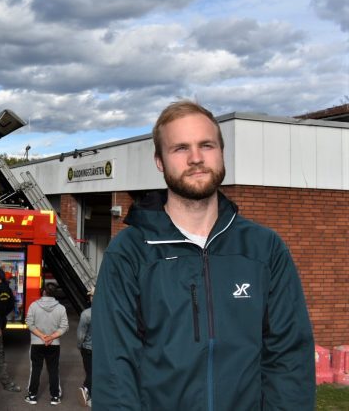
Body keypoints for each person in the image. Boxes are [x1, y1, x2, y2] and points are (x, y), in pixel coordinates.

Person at [90, 100, 315, 410]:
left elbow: (289, 359)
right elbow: (115, 373)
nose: (196, 158)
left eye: (206, 145)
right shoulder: (130, 253)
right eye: (180, 148)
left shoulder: (264, 249)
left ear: (221, 152)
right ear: (159, 161)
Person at [24, 282, 68, 406]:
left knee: (35, 369)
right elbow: (64, 326)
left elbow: (29, 323)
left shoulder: (34, 306)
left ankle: (32, 395)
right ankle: (55, 397)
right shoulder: (61, 308)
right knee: (53, 369)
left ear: (44, 291)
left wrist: (42, 336)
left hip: (37, 343)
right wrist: (51, 337)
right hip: (54, 344)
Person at [76, 289, 93, 408]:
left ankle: (85, 388)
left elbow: (81, 334)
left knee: (90, 372)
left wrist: (79, 346)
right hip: (104, 349)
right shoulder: (109, 312)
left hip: (88, 348)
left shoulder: (86, 314)